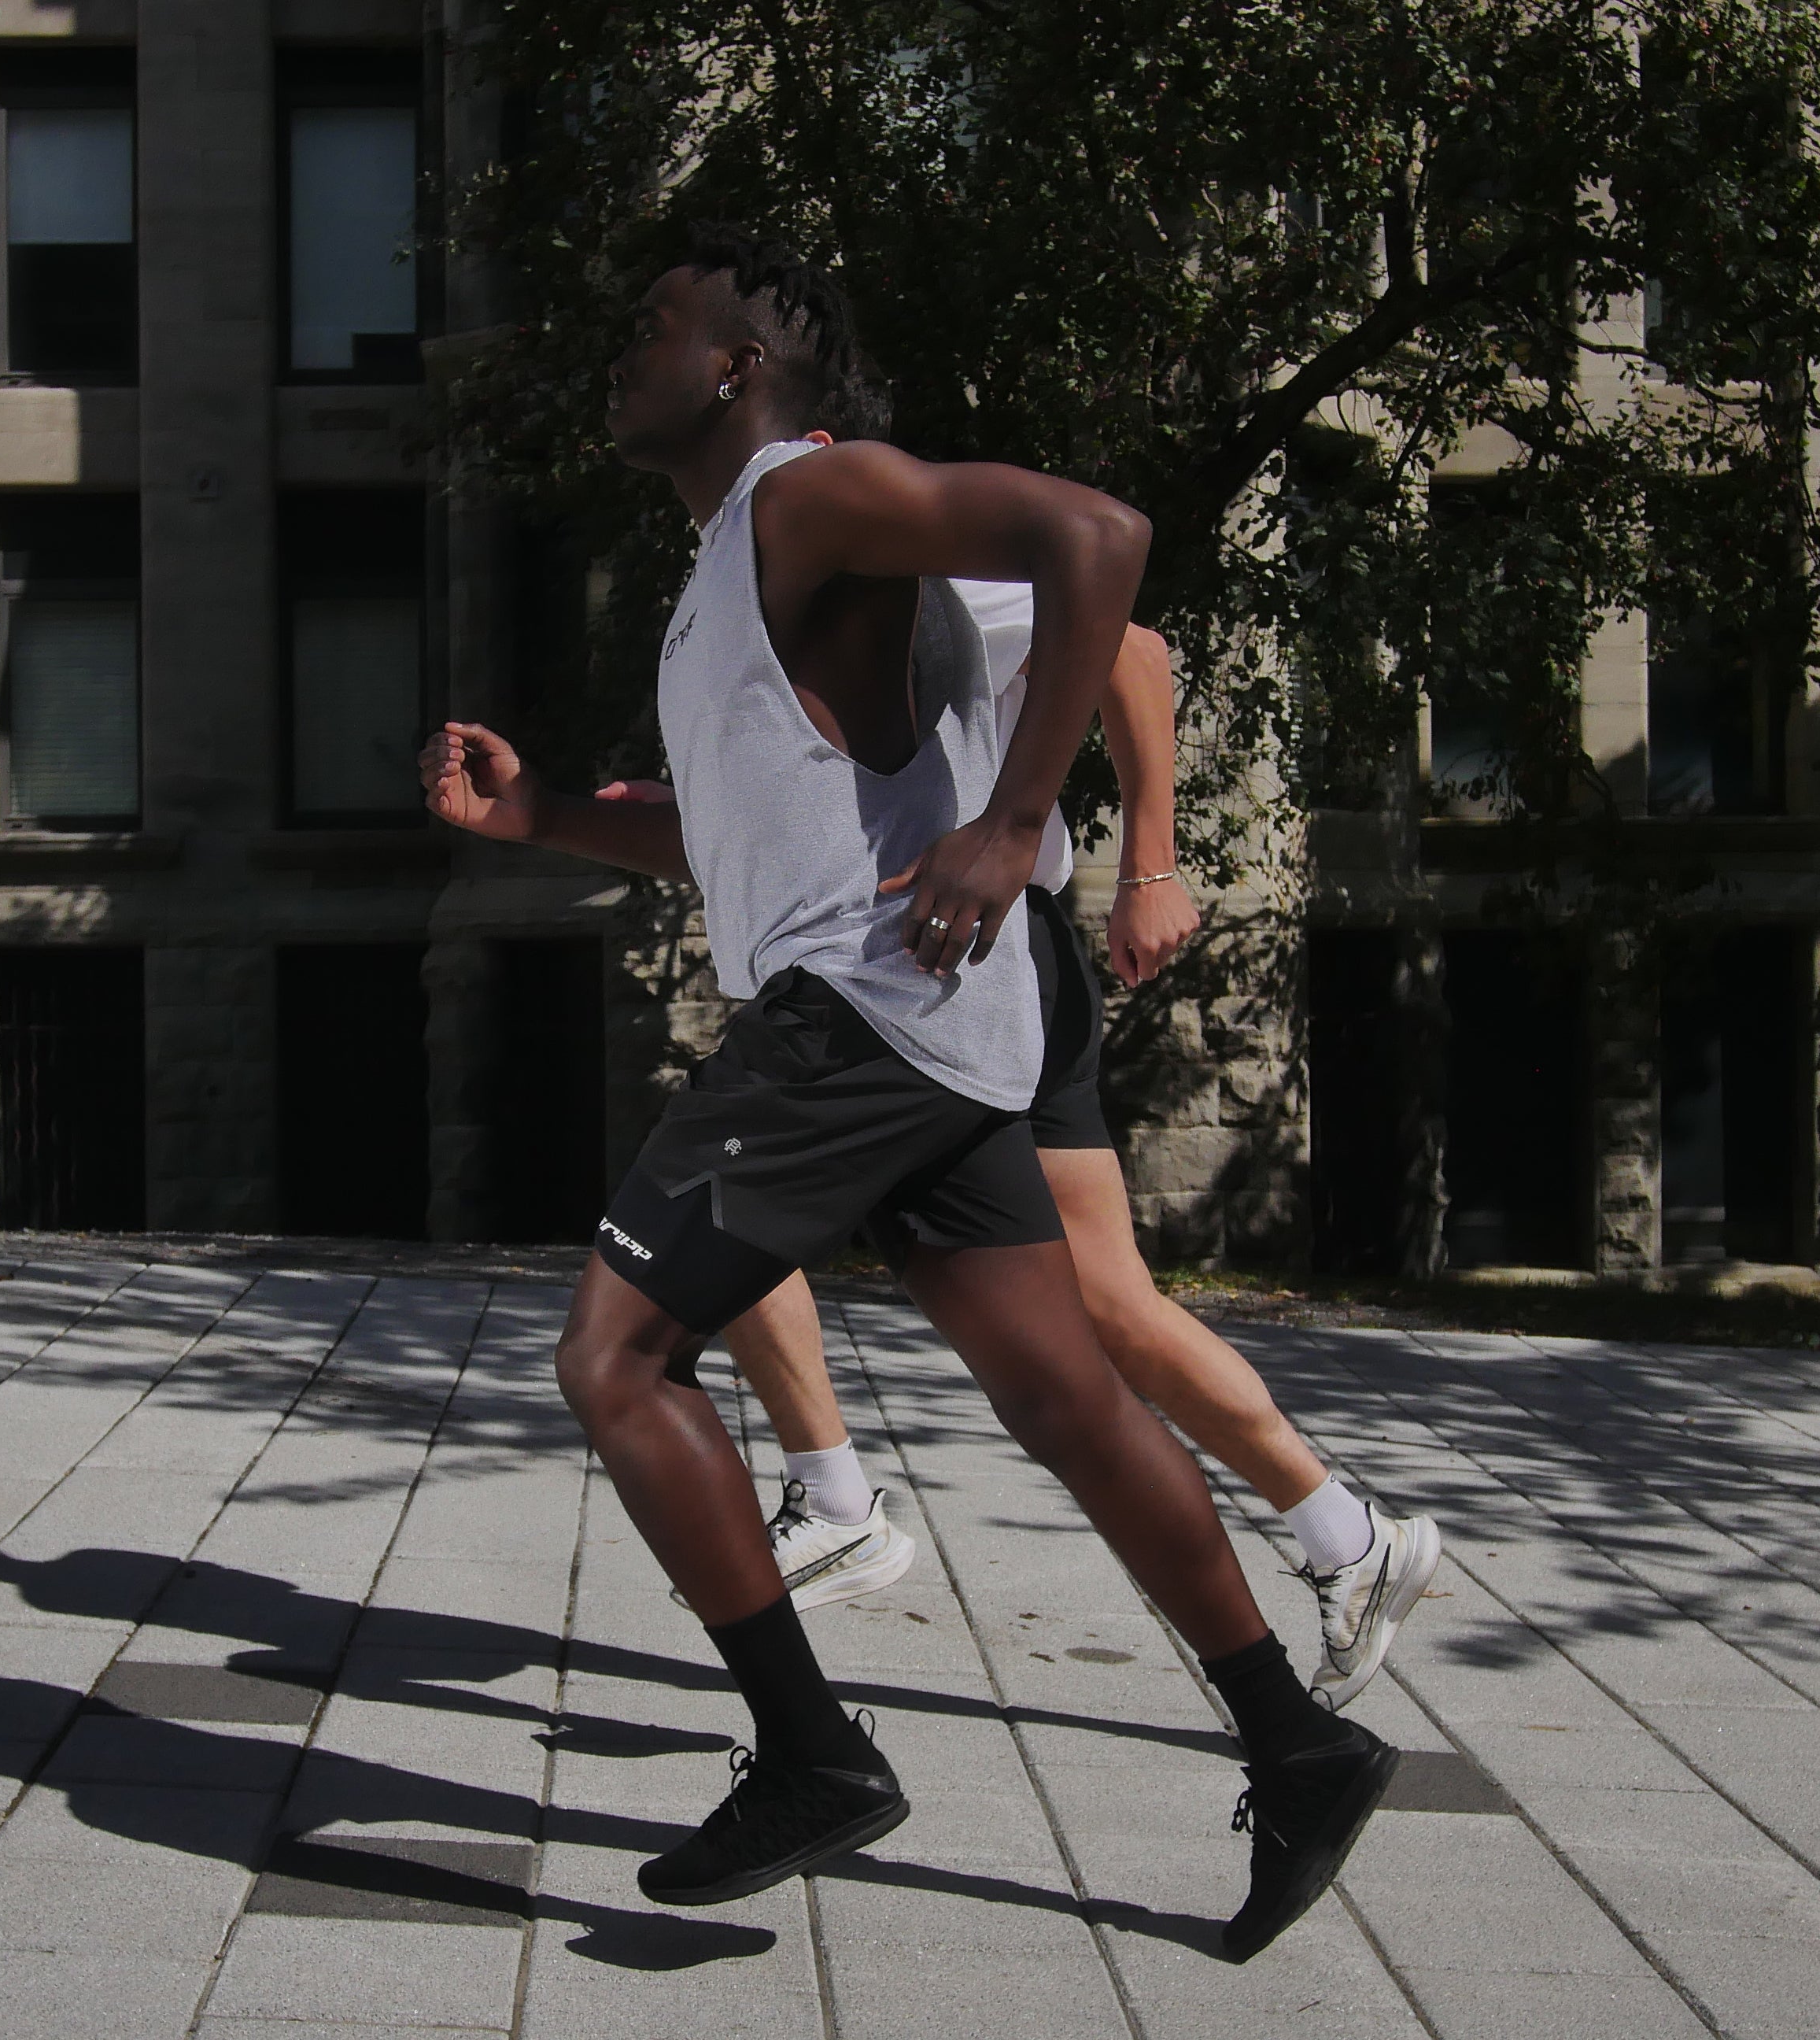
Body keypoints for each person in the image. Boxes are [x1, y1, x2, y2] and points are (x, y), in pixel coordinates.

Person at [419, 225, 1393, 1961]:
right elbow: (745, 840)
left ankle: (811, 1755)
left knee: (614, 1358)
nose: (624, 355)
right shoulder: (738, 558)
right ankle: (1299, 1746)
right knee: (1070, 1399)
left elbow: (1101, 540)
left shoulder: (804, 493)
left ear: (738, 366)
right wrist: (546, 815)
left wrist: (1018, 824)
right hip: (934, 1022)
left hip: (857, 1022)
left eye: (657, 327)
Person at [607, 593, 1443, 1711]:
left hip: (955, 962)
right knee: (1105, 1304)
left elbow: (1130, 644)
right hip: (931, 963)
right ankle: (1347, 1536)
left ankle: (838, 1501)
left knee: (716, 1200)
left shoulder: (900, 550)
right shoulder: (742, 578)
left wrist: (1150, 864)